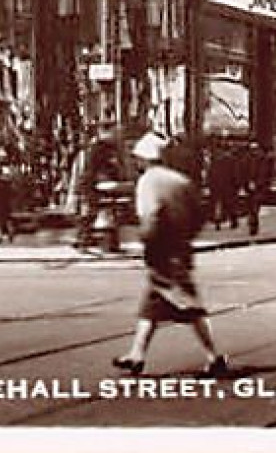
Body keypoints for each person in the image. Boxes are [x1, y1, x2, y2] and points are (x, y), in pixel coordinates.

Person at [112, 132, 228, 378]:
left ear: (144, 159)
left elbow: (151, 215)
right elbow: (199, 214)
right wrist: (186, 237)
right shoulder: (181, 181)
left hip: (162, 251)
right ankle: (136, 355)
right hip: (181, 248)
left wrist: (145, 239)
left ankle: (214, 356)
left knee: (187, 305)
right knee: (153, 305)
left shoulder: (147, 182)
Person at [75, 124, 122, 249]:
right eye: (114, 132)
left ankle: (86, 238)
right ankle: (84, 238)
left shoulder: (107, 148)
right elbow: (95, 168)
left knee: (92, 211)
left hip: (97, 183)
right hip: (93, 183)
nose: (117, 135)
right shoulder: (99, 148)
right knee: (90, 211)